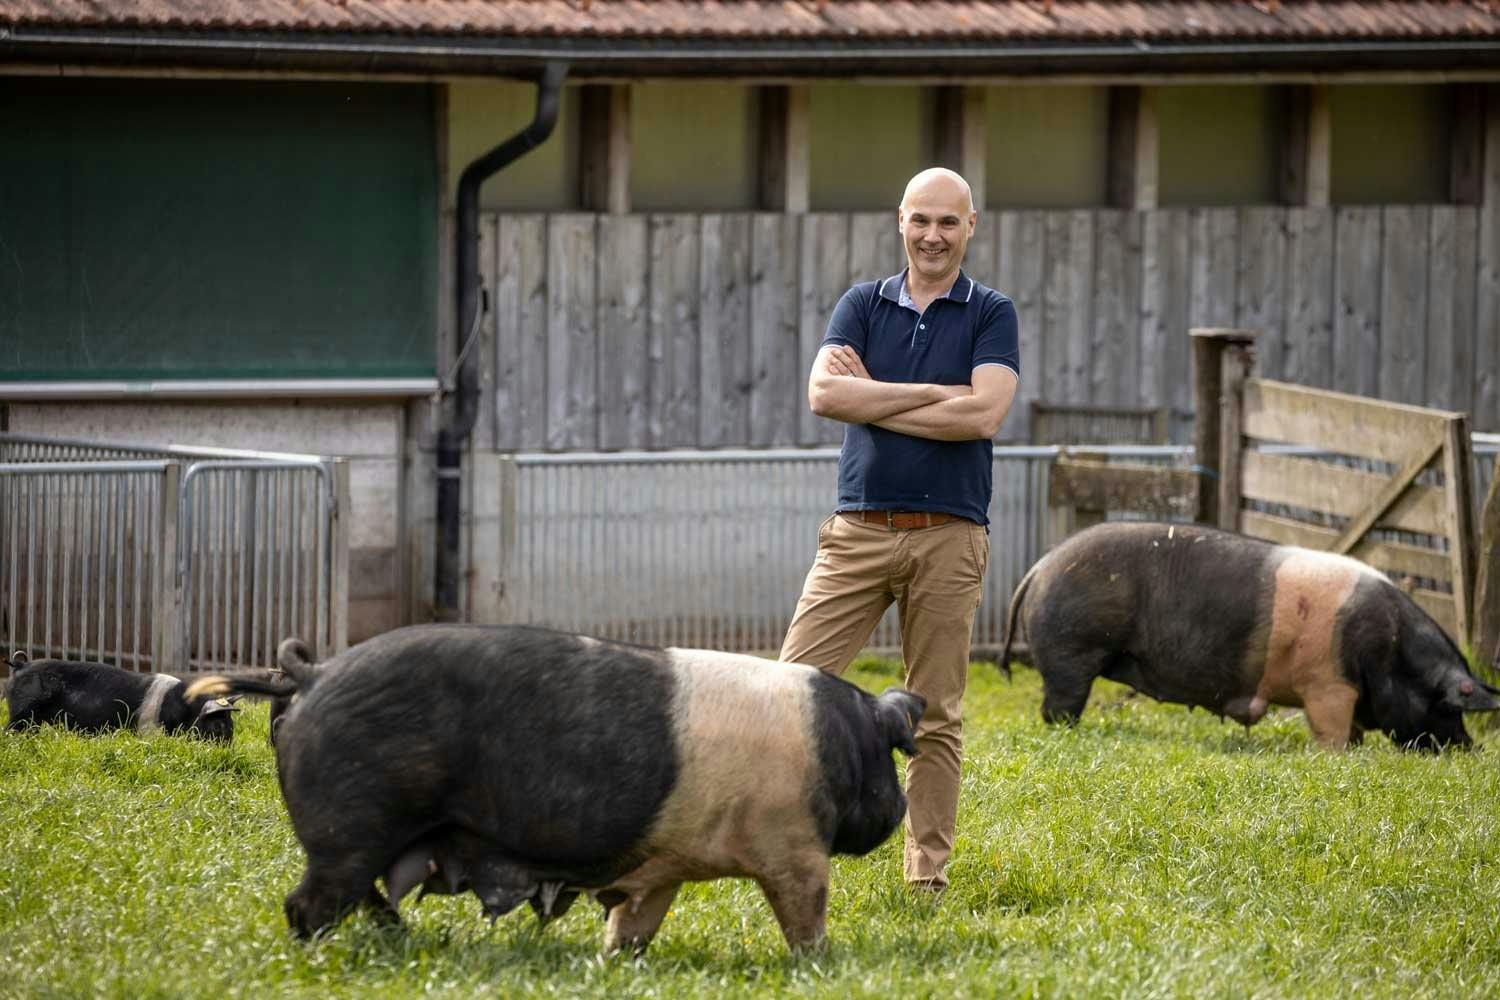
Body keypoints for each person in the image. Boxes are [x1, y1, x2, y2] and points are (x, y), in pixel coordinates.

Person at [779, 167, 1019, 898]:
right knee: (789, 691)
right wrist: (928, 394)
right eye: (921, 220)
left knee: (936, 713)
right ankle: (779, 848)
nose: (933, 235)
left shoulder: (991, 313)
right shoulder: (862, 304)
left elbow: (984, 416)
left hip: (950, 536)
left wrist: (871, 398)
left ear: (970, 225)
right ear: (900, 221)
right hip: (858, 531)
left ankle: (926, 877)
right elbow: (824, 393)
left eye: (948, 222)